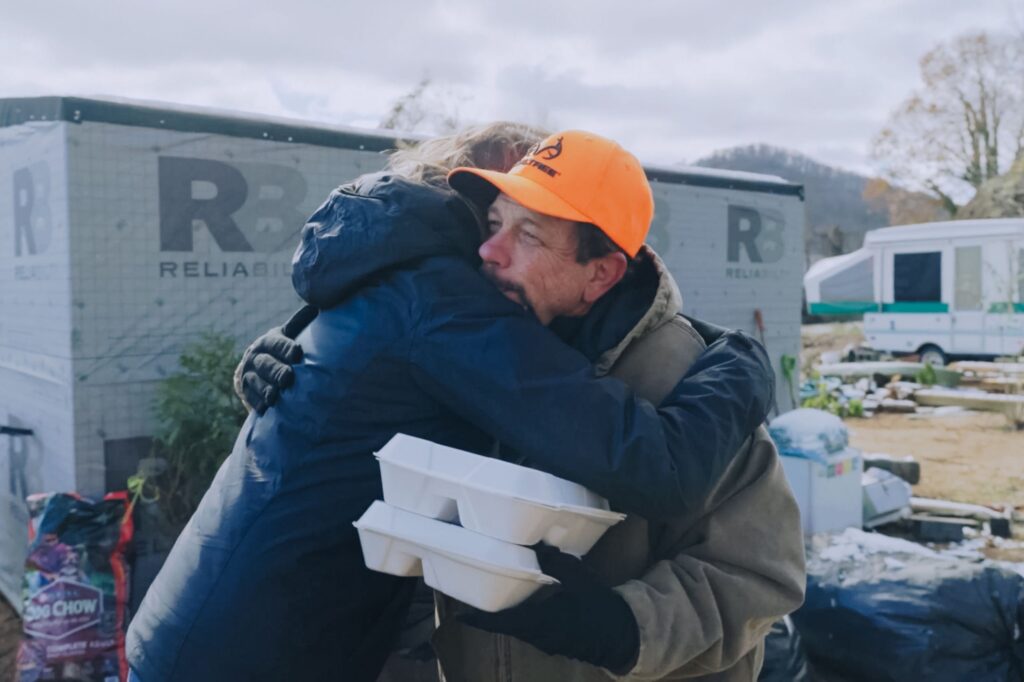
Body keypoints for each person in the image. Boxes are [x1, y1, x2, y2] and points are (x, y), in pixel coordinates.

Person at [125, 125, 776, 682]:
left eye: (530, 230)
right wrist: (293, 355)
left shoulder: (682, 375)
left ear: (600, 271)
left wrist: (623, 629)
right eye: (489, 221)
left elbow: (758, 571)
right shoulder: (472, 329)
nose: (488, 253)